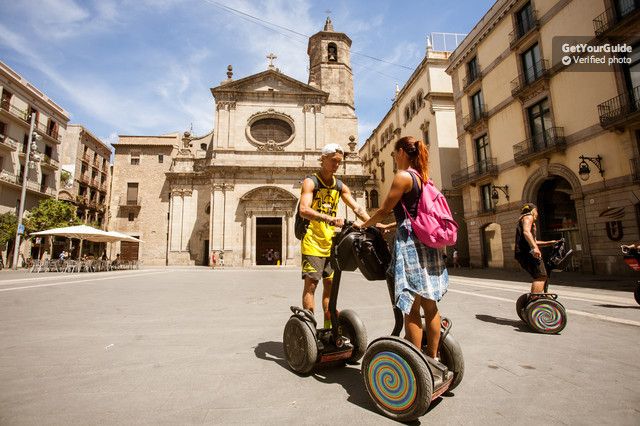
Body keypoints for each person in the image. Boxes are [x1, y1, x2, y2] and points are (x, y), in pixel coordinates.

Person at [356, 136, 448, 359]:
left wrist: (363, 224)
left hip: (410, 245)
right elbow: (414, 214)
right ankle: (432, 357)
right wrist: (389, 227)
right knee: (430, 305)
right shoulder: (424, 178)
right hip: (427, 241)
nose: (395, 158)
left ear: (402, 153)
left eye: (395, 154)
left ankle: (415, 361)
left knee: (411, 307)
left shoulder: (403, 176)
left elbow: (384, 208)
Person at [299, 143, 370, 329]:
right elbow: (304, 210)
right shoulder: (311, 182)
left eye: (339, 162)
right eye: (333, 161)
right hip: (312, 241)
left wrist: (372, 223)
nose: (336, 165)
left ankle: (329, 328)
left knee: (330, 288)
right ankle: (310, 329)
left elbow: (357, 207)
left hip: (331, 243)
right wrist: (328, 218)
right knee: (312, 286)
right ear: (323, 159)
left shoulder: (339, 186)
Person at [514, 203, 558, 295]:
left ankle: (534, 300)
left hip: (523, 252)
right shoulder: (528, 217)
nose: (537, 213)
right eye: (537, 211)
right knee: (541, 276)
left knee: (539, 276)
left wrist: (550, 242)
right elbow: (526, 232)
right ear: (533, 210)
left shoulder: (525, 219)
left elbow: (533, 241)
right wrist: (534, 248)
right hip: (527, 252)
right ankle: (535, 301)